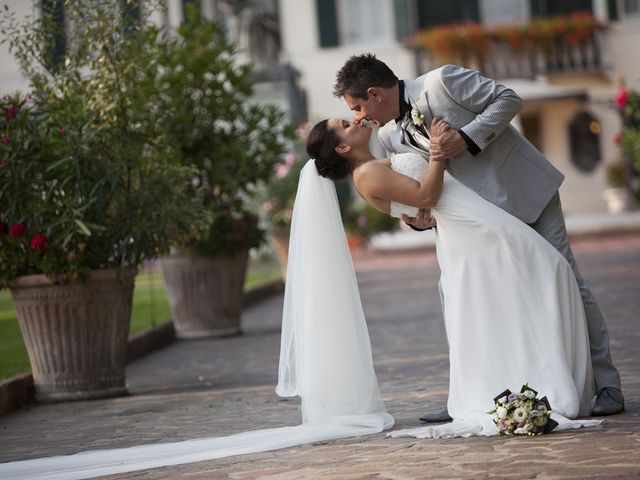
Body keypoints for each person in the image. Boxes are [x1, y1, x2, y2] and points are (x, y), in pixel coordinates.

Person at [332, 53, 624, 421]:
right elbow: (421, 187)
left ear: (375, 93)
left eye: (358, 106)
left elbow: (509, 100)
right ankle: (471, 394)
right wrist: (418, 221)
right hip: (480, 227)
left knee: (566, 278)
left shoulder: (442, 82)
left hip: (525, 194)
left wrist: (467, 137)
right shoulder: (389, 135)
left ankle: (607, 383)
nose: (360, 116)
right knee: (475, 302)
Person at [305, 116, 601, 437]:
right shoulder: (366, 174)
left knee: (535, 282)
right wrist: (436, 151)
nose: (357, 119)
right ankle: (538, 379)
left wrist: (420, 215)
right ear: (343, 146)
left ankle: (541, 376)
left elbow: (418, 209)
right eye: (347, 123)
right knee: (545, 272)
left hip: (469, 220)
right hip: (470, 230)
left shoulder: (375, 164)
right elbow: (428, 197)